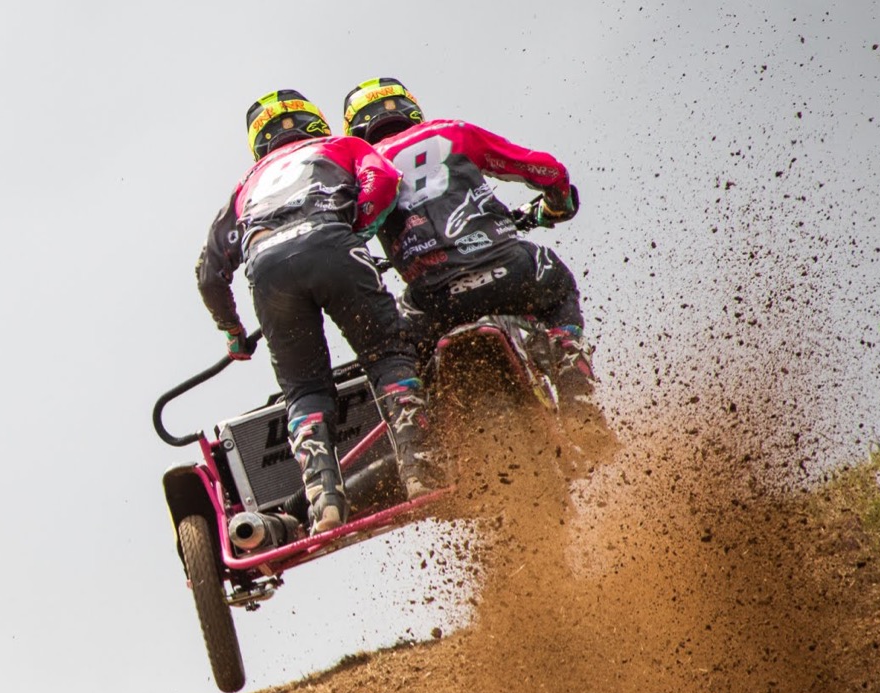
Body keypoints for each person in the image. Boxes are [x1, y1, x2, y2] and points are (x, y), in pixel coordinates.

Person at [195, 89, 441, 534]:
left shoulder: (247, 185)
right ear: (315, 122)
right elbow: (384, 181)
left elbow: (210, 273)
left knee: (305, 390)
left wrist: (232, 331)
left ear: (260, 142)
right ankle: (420, 470)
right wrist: (353, 231)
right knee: (388, 355)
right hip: (332, 241)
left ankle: (324, 503)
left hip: (267, 267)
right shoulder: (342, 146)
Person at [341, 77, 596, 400]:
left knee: (397, 359)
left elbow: (334, 236)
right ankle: (574, 380)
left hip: (434, 298)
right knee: (556, 282)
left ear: (355, 130)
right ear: (411, 109)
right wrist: (556, 205)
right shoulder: (453, 131)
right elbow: (548, 169)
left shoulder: (360, 171)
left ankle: (414, 421)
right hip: (511, 270)